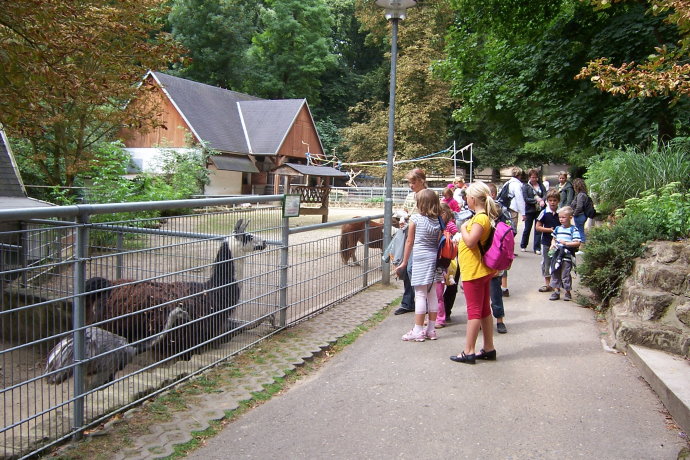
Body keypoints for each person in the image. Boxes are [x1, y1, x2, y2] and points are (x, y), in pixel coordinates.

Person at [450, 182, 498, 364]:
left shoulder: (480, 219)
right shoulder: (483, 217)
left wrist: (462, 228)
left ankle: (468, 351)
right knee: (484, 309)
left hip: (474, 271)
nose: (465, 199)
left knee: (474, 311)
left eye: (467, 196)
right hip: (480, 270)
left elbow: (470, 242)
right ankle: (488, 347)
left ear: (473, 199)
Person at [396, 189, 442, 342]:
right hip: (434, 259)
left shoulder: (415, 219)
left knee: (420, 294)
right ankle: (431, 330)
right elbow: (438, 241)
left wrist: (404, 262)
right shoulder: (438, 220)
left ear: (421, 203)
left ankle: (418, 330)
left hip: (420, 259)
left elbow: (409, 242)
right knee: (432, 294)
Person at [393, 168, 428, 315]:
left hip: (421, 238)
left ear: (422, 181)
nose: (411, 185)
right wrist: (402, 218)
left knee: (412, 269)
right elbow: (405, 211)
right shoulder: (410, 196)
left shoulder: (428, 196)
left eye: (413, 182)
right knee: (406, 268)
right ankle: (408, 302)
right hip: (408, 235)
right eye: (410, 182)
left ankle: (423, 302)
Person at [487, 183, 510, 334]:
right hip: (482, 259)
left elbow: (509, 234)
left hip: (495, 259)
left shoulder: (501, 212)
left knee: (495, 292)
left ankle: (500, 320)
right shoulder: (477, 214)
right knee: (482, 294)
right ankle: (482, 320)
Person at [548, 206, 581, 301]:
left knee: (565, 273)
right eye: (560, 217)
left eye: (563, 217)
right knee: (555, 272)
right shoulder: (558, 228)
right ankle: (556, 291)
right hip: (556, 254)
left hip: (567, 255)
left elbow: (577, 242)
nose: (561, 219)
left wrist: (566, 243)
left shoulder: (573, 229)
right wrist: (553, 244)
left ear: (570, 217)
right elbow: (553, 239)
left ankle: (567, 291)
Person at [435, 203, 458, 328]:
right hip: (441, 262)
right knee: (435, 293)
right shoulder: (438, 225)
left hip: (446, 261)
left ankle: (441, 317)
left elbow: (456, 236)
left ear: (443, 214)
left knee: (440, 292)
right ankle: (435, 316)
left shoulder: (449, 225)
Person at [535, 189, 561, 293]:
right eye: (550, 200)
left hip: (558, 242)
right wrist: (549, 230)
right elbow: (538, 227)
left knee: (557, 262)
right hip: (546, 242)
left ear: (558, 201)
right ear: (547, 201)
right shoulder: (544, 213)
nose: (552, 202)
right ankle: (547, 284)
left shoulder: (561, 213)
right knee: (547, 262)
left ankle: (556, 283)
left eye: (555, 200)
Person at [520, 168, 547, 254]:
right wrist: (536, 201)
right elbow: (526, 198)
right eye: (532, 177)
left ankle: (537, 248)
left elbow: (545, 194)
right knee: (527, 228)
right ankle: (523, 245)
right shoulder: (526, 186)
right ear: (529, 177)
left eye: (535, 177)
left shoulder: (541, 185)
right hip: (529, 210)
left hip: (539, 210)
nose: (534, 179)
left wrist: (542, 200)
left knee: (538, 229)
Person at [570, 178, 590, 252]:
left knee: (580, 231)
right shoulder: (584, 194)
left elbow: (579, 206)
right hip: (582, 215)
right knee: (580, 230)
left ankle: (582, 248)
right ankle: (581, 247)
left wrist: (574, 214)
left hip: (580, 215)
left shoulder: (580, 195)